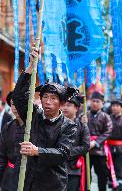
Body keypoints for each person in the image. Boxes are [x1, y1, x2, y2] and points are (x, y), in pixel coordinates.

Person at [12, 47, 77, 191]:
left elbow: (62, 153)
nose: (47, 101)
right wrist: (31, 66)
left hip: (52, 183)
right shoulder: (32, 115)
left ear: (61, 103)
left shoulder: (69, 126)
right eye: (45, 97)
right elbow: (18, 96)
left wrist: (37, 151)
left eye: (53, 98)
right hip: (26, 179)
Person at [62, 93, 90, 191]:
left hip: (73, 168)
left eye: (69, 105)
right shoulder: (56, 123)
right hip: (57, 166)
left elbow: (86, 146)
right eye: (64, 105)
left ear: (77, 108)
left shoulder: (82, 126)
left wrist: (66, 152)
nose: (65, 107)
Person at [87, 91, 112, 191]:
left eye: (97, 101)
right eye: (93, 101)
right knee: (86, 174)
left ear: (102, 103)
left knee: (102, 175)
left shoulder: (106, 117)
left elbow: (108, 131)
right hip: (86, 149)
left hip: (100, 151)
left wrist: (95, 142)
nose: (95, 103)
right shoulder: (84, 115)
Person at [0, 91, 25, 191]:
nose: (15, 106)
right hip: (9, 177)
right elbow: (2, 156)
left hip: (30, 177)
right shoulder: (8, 127)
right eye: (13, 103)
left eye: (18, 102)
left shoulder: (36, 126)